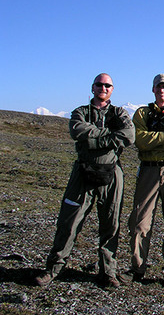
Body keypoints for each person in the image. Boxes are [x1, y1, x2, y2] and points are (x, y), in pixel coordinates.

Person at [35, 73, 135, 288]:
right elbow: (77, 131)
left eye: (107, 85)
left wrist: (95, 139)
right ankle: (53, 269)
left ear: (112, 89)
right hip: (83, 172)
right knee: (69, 222)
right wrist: (110, 136)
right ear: (93, 88)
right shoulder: (80, 112)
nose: (103, 88)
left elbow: (129, 135)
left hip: (111, 173)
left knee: (111, 223)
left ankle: (108, 272)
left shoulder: (119, 112)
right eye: (99, 84)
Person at [120, 73, 164, 289]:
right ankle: (137, 268)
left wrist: (154, 139)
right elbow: (139, 141)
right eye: (158, 87)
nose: (161, 90)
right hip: (148, 170)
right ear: (153, 90)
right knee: (140, 221)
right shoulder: (142, 113)